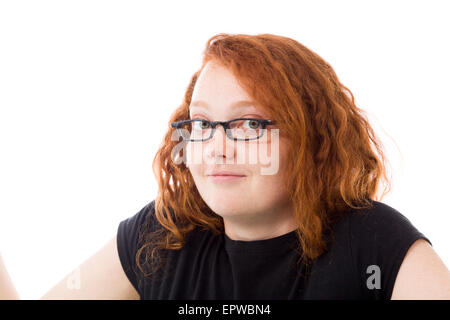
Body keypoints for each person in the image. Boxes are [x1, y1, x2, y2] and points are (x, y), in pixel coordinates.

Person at [4, 33, 449, 300]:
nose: (216, 146)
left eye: (250, 123)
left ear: (314, 141)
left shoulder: (376, 244)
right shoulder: (162, 237)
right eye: (200, 123)